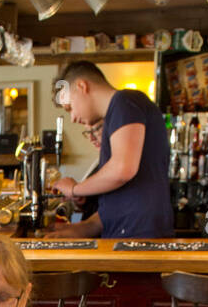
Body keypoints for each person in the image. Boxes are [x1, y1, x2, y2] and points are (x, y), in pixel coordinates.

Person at [51, 61, 173, 239]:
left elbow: (122, 170)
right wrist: (82, 228)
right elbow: (119, 203)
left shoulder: (125, 102)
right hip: (128, 235)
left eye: (70, 108)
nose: (73, 118)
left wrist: (75, 189)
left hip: (139, 238)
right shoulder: (117, 113)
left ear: (81, 86)